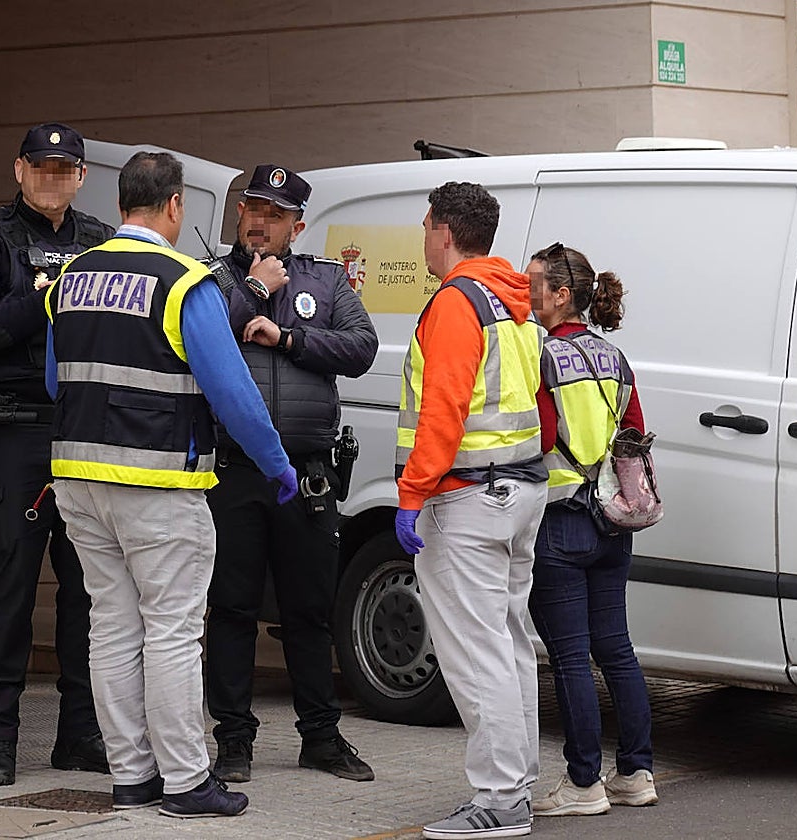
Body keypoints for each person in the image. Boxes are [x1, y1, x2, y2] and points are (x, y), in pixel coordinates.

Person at [46, 151, 295, 819]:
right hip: (156, 481)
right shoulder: (185, 282)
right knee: (173, 631)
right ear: (175, 205)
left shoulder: (69, 277)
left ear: (121, 202)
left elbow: (52, 379)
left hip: (78, 478)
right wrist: (276, 464)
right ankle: (186, 780)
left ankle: (132, 775)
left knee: (112, 624)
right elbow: (234, 395)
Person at [0, 123, 113, 786]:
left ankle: (80, 735)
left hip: (83, 429)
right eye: (41, 167)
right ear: (19, 170)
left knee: (88, 590)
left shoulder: (101, 241)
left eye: (64, 168)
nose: (53, 178)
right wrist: (44, 298)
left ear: (81, 176)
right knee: (11, 586)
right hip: (13, 428)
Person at [206, 164, 378, 784]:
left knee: (309, 610)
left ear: (297, 226)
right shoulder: (213, 279)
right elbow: (194, 340)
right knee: (230, 608)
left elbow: (361, 348)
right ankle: (233, 740)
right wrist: (254, 290)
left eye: (275, 214)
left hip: (307, 473)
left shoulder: (326, 280)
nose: (260, 222)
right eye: (253, 209)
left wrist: (288, 338)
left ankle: (321, 738)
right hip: (235, 470)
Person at [394, 182, 548, 840]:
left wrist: (411, 494)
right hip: (519, 491)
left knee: (476, 653)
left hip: (466, 498)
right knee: (508, 645)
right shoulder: (513, 301)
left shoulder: (457, 302)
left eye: (426, 227)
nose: (423, 239)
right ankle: (518, 785)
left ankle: (501, 799)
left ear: (446, 232)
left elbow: (444, 409)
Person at [524, 243, 656, 816]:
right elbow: (635, 433)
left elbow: (539, 436)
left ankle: (583, 784)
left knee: (571, 658)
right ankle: (636, 773)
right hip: (613, 520)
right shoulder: (614, 357)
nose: (525, 291)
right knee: (617, 650)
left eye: (533, 283)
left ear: (561, 295)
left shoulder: (542, 356)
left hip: (561, 520)